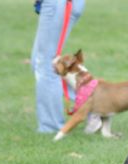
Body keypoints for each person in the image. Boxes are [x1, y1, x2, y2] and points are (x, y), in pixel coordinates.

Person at [31, 0, 101, 133]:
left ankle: (50, 127)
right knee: (39, 62)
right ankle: (93, 110)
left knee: (47, 65)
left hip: (57, 4)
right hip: (57, 5)